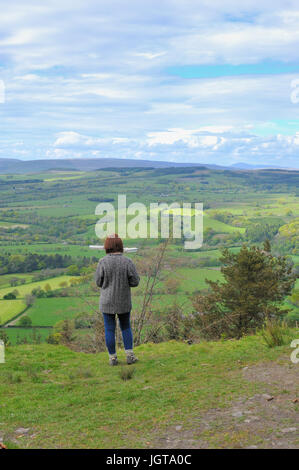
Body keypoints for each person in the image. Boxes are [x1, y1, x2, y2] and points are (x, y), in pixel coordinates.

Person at [95, 234, 140, 366]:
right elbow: (135, 281)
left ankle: (113, 358)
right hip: (123, 301)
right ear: (120, 245)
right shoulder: (127, 262)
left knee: (109, 329)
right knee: (125, 327)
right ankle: (130, 356)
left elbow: (98, 282)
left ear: (107, 246)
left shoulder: (102, 262)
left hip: (106, 301)